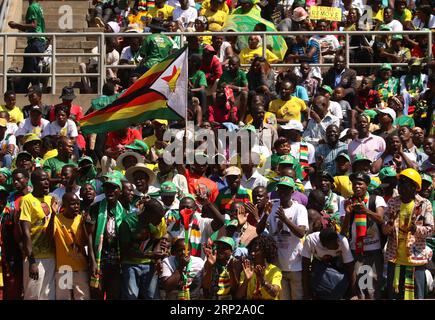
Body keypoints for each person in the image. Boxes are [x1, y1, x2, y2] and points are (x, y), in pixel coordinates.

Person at [383, 169, 434, 300]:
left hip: (415, 260)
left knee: (417, 296)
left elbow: (430, 229)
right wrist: (390, 222)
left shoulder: (424, 204)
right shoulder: (392, 203)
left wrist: (415, 228)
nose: (399, 188)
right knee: (394, 296)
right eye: (399, 184)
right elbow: (385, 230)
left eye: (404, 185)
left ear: (414, 187)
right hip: (395, 259)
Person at [258, 176, 308, 300]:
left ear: (292, 191)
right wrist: (265, 216)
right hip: (278, 266)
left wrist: (285, 219)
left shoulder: (299, 209)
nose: (283, 192)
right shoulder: (272, 206)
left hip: (295, 266)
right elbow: (259, 231)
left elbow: (301, 232)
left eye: (286, 189)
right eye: (280, 189)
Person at [340, 172, 387, 299]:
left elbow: (381, 219)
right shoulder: (346, 202)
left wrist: (365, 210)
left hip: (374, 250)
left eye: (360, 184)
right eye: (354, 184)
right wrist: (348, 213)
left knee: (373, 290)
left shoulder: (376, 199)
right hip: (357, 251)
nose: (357, 187)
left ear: (366, 185)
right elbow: (343, 233)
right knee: (361, 289)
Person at [19, 169, 57, 300]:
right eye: (43, 179)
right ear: (34, 182)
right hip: (35, 257)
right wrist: (31, 261)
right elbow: (25, 232)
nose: (47, 182)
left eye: (47, 179)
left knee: (48, 296)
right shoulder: (27, 200)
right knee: (33, 296)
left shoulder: (51, 199)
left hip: (51, 256)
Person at [119, 198, 167, 300]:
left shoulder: (158, 221)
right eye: (158, 217)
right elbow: (125, 250)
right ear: (149, 214)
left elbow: (158, 239)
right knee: (131, 296)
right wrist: (150, 255)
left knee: (152, 296)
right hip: (130, 264)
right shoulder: (128, 222)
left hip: (149, 264)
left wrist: (157, 259)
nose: (160, 220)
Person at [86, 176, 126, 300]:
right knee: (97, 293)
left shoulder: (124, 211)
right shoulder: (95, 208)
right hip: (99, 260)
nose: (110, 191)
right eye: (107, 188)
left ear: (119, 191)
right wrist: (92, 261)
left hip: (116, 262)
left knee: (113, 295)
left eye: (113, 188)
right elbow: (90, 236)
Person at [50, 193, 90, 300]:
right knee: (63, 298)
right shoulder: (56, 219)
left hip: (81, 267)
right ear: (64, 206)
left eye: (78, 203)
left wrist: (86, 225)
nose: (76, 206)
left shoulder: (82, 219)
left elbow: (87, 241)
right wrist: (52, 215)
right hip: (64, 268)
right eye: (73, 204)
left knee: (83, 297)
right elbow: (49, 236)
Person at [302, 227, 356, 300]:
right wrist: (306, 293)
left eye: (337, 240)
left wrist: (352, 292)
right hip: (319, 267)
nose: (338, 244)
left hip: (337, 266)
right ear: (324, 245)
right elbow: (305, 267)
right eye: (334, 244)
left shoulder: (342, 241)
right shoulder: (311, 240)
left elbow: (350, 267)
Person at [8, 0, 46, 92]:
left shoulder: (32, 7)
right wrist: (17, 27)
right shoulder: (38, 7)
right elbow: (33, 27)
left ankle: (36, 92)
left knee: (31, 70)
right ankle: (21, 90)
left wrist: (16, 25)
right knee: (27, 69)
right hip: (38, 41)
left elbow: (33, 25)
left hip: (35, 41)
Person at [235, 235, 282, 300]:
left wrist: (263, 281)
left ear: (265, 252)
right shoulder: (247, 270)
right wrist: (246, 280)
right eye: (251, 250)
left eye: (256, 251)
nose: (252, 253)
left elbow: (274, 293)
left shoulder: (274, 270)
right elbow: (239, 296)